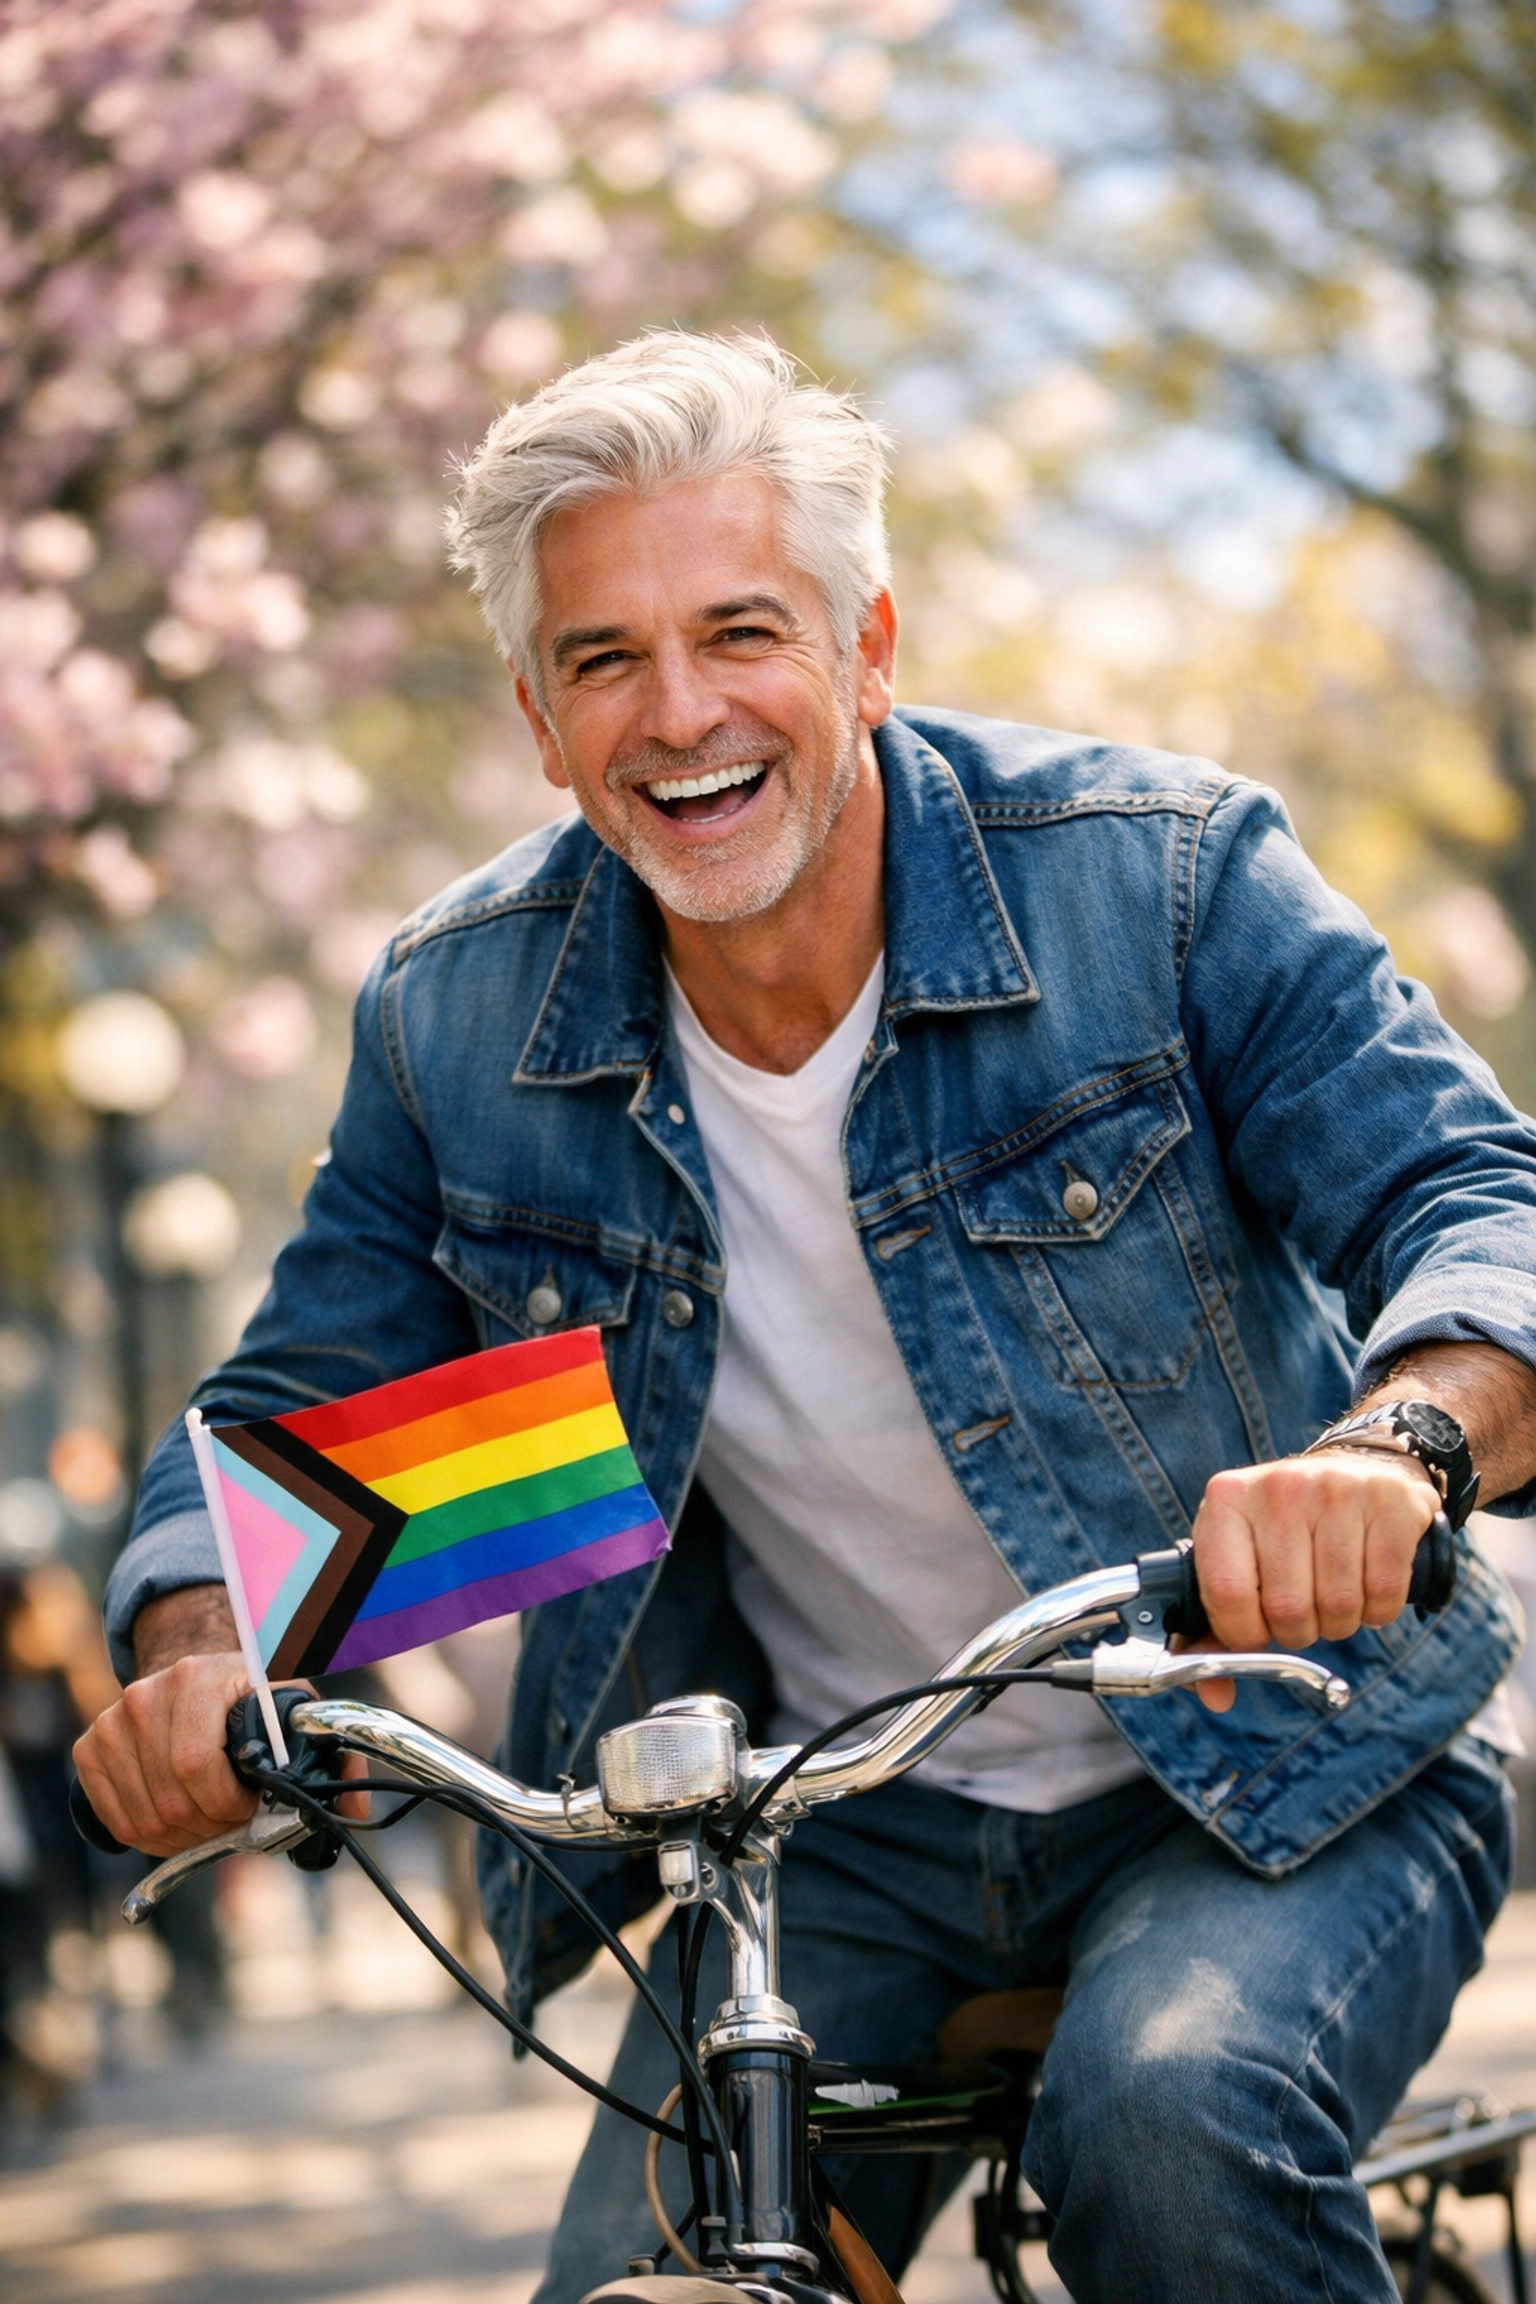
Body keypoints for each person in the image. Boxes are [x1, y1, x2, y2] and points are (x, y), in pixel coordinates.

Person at [75, 332, 1536, 2302]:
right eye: (604, 658)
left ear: (867, 650)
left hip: (1292, 1756)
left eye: (740, 631)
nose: (680, 713)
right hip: (840, 1822)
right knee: (649, 2280)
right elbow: (295, 1409)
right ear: (540, 720)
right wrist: (199, 1655)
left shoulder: (1163, 878)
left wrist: (1394, 1450)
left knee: (1164, 2120)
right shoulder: (459, 1017)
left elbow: (1479, 1198)